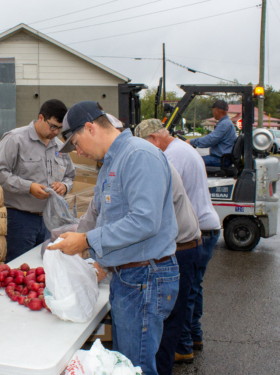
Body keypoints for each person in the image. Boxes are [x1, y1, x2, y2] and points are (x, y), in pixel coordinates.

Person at [48, 101, 179, 375]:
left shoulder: (138, 155)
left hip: (144, 277)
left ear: (90, 128)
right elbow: (102, 214)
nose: (78, 152)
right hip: (129, 277)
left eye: (76, 143)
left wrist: (86, 242)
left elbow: (144, 221)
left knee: (135, 367)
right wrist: (79, 237)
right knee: (123, 366)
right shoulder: (113, 161)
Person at [141, 119, 222, 365]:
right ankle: (194, 336)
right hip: (207, 226)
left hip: (192, 231)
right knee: (194, 289)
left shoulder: (170, 157)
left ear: (154, 139)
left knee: (182, 296)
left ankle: (183, 346)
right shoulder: (184, 148)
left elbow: (161, 200)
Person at [134, 119, 202, 375]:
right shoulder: (174, 153)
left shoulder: (161, 161)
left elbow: (145, 219)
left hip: (182, 248)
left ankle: (167, 365)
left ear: (152, 139)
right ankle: (190, 342)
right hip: (188, 241)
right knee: (181, 310)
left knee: (167, 323)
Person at [0, 99, 74, 262]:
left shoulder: (60, 146)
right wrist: (28, 187)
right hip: (19, 220)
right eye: (52, 126)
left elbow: (70, 175)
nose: (55, 132)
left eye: (60, 129)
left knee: (44, 268)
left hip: (50, 220)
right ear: (40, 118)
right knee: (18, 268)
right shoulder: (15, 139)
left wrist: (64, 186)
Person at [186, 100, 237, 166]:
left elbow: (210, 140)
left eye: (213, 110)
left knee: (190, 162)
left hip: (220, 160)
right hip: (221, 158)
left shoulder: (224, 124)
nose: (213, 113)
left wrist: (191, 142)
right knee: (194, 159)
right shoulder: (225, 122)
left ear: (217, 110)